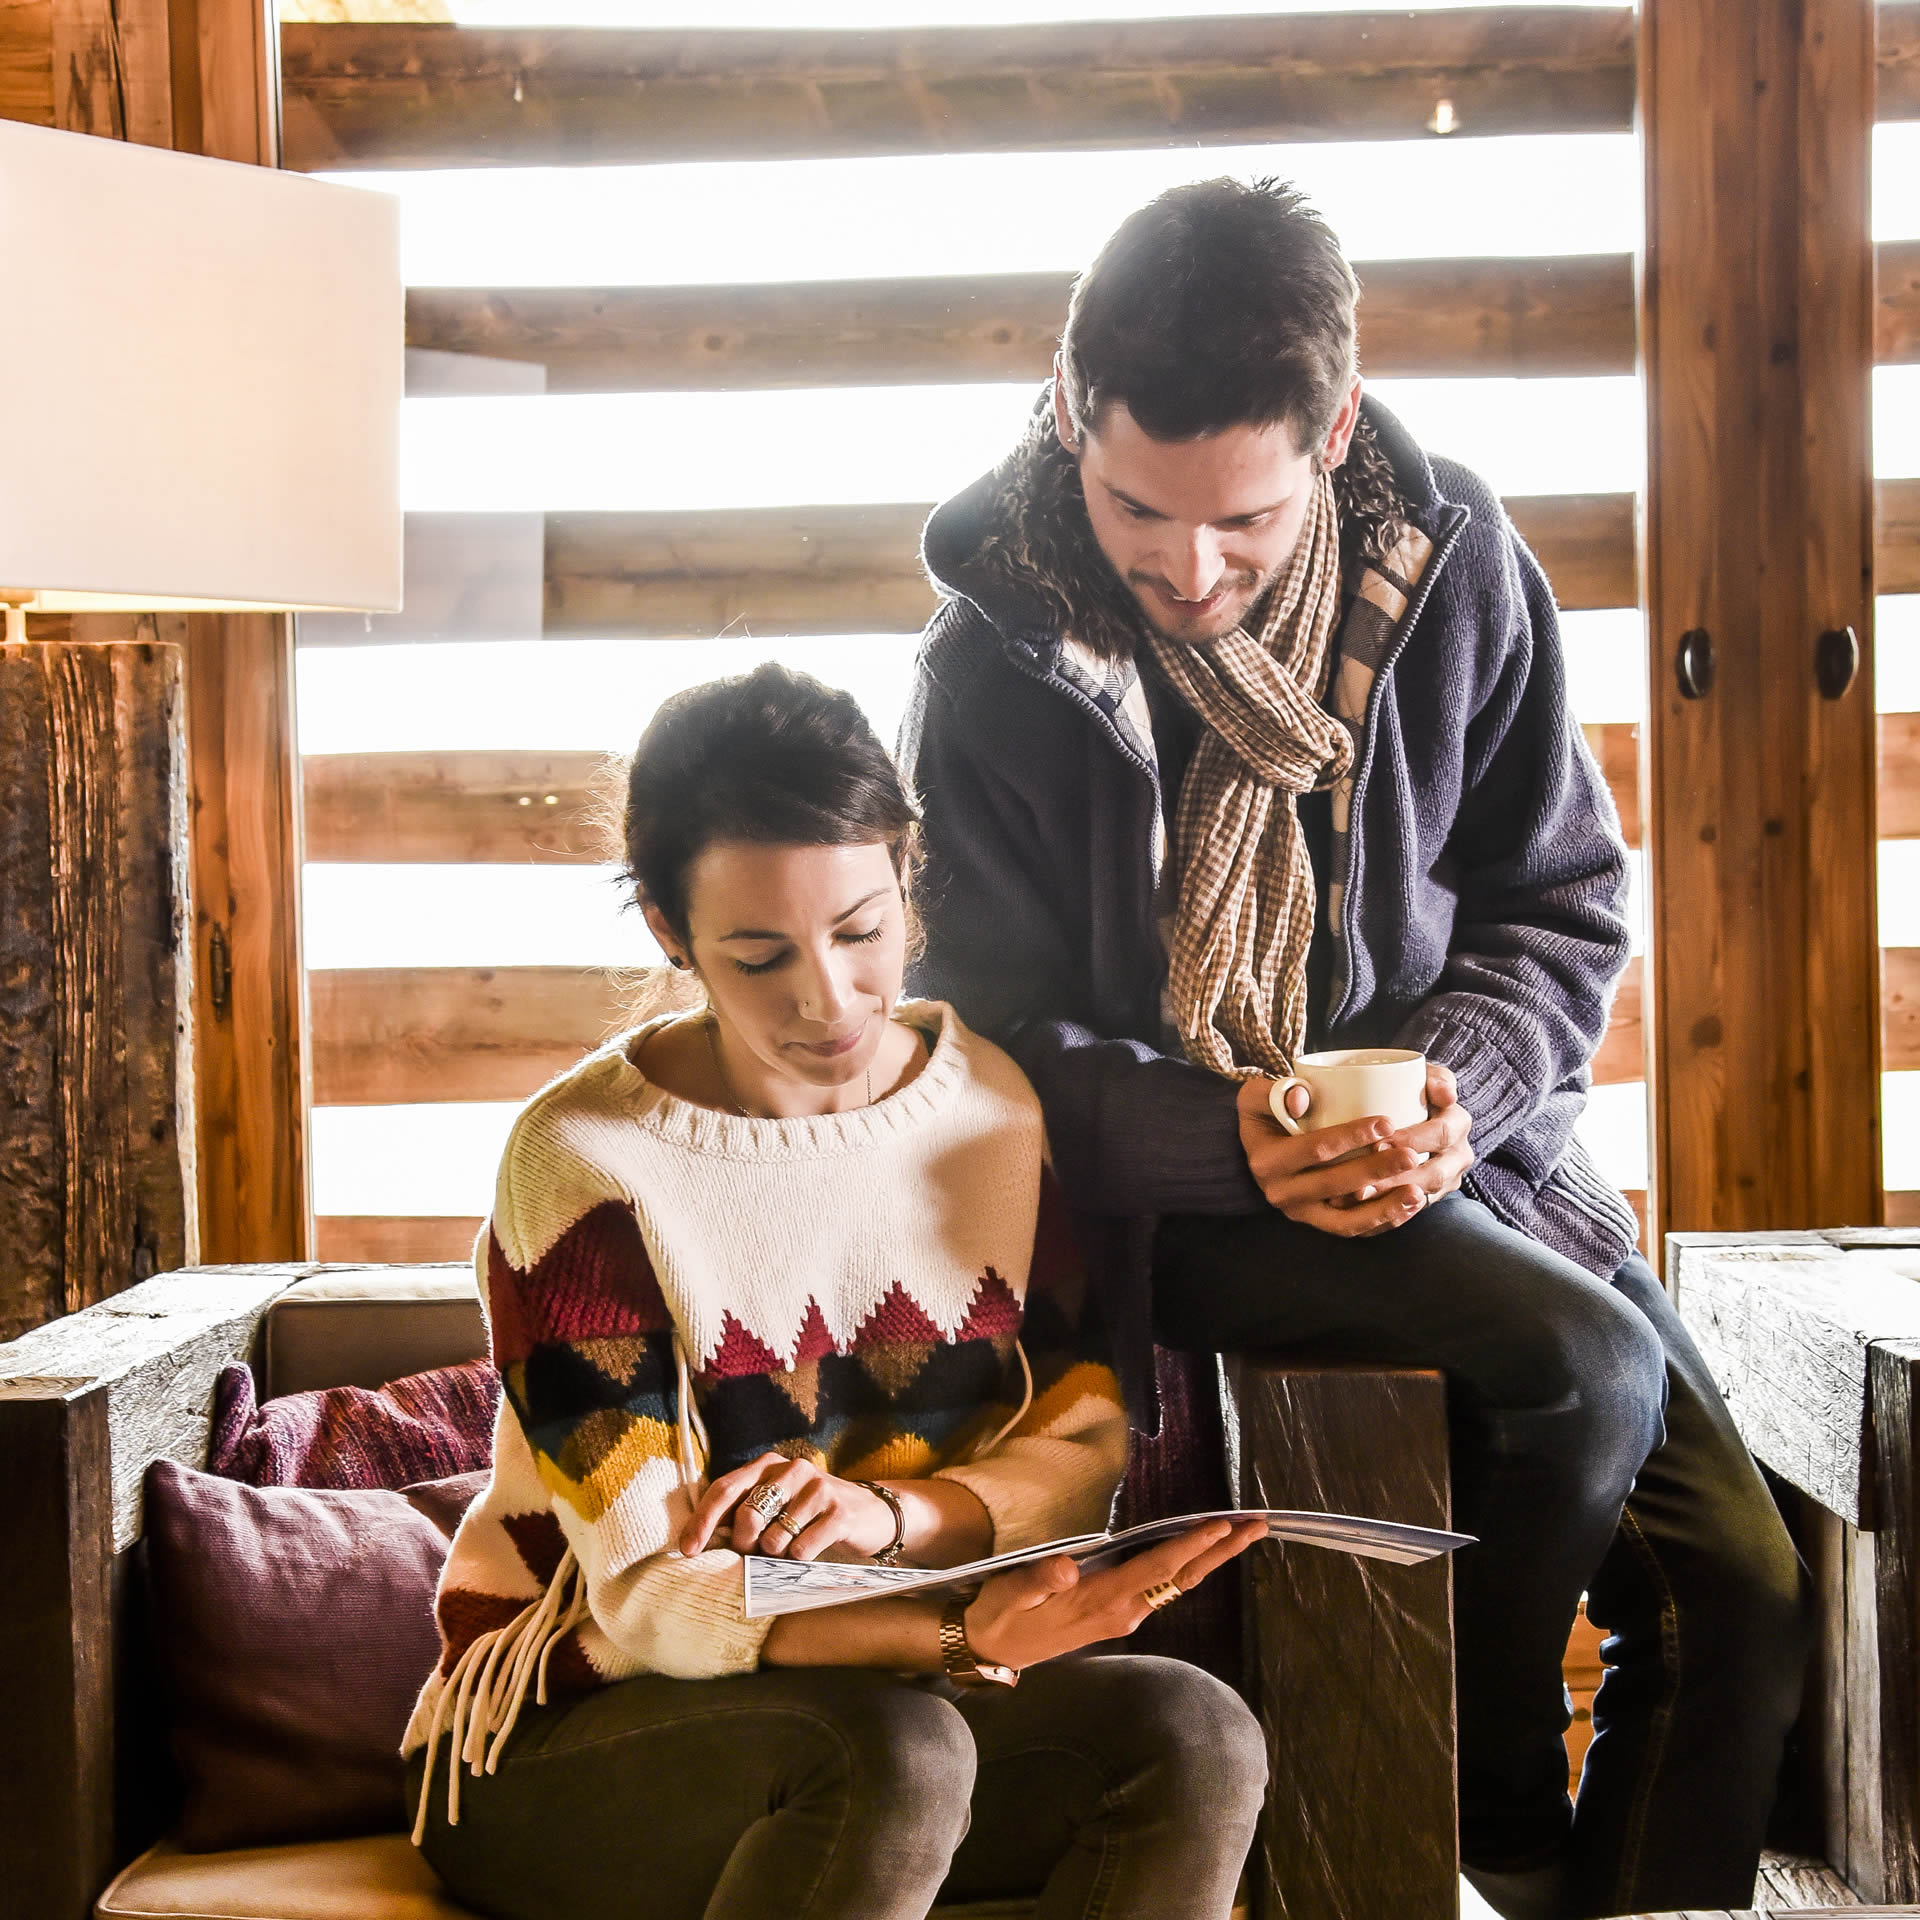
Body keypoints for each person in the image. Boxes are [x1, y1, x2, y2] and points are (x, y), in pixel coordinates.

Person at [898, 178, 1810, 1920]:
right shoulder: (994, 653)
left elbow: (1558, 905)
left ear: (1334, 427)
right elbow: (972, 1052)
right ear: (1073, 409)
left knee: (1749, 1603)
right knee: (1584, 1375)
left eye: (1237, 519)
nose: (1184, 568)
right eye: (1134, 508)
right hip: (1171, 1198)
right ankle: (1488, 1796)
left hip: (1463, 1156)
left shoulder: (1458, 561)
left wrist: (1462, 1089)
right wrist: (1228, 1138)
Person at [402, 662, 1269, 1920]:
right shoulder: (584, 1164)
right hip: (570, 1739)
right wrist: (957, 1638)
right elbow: (648, 1597)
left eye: (861, 932)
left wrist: (891, 1522)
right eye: (759, 956)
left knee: (1190, 1731)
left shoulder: (997, 1112)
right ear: (667, 932)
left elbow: (1077, 1450)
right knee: (895, 1754)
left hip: (897, 1708)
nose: (828, 999)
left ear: (907, 876)